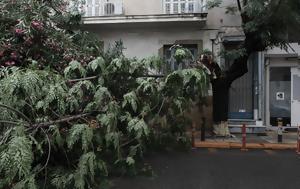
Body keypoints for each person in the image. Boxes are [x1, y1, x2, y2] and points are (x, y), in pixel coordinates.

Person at [198, 52, 248, 137]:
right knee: (220, 107)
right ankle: (220, 131)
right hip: (218, 84)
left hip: (220, 84)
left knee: (221, 106)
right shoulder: (211, 71)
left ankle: (221, 130)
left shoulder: (215, 69)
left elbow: (215, 73)